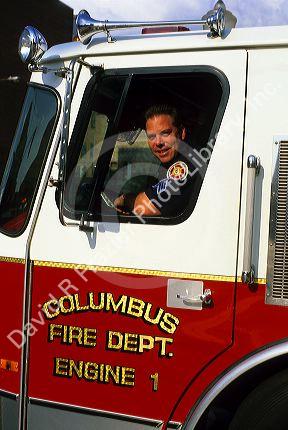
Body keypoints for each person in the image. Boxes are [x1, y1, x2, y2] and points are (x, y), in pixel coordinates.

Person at [114, 104, 194, 217]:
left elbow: (145, 206)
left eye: (165, 133)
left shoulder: (188, 163)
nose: (158, 142)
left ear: (182, 133)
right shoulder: (167, 165)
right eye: (151, 137)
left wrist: (125, 199)